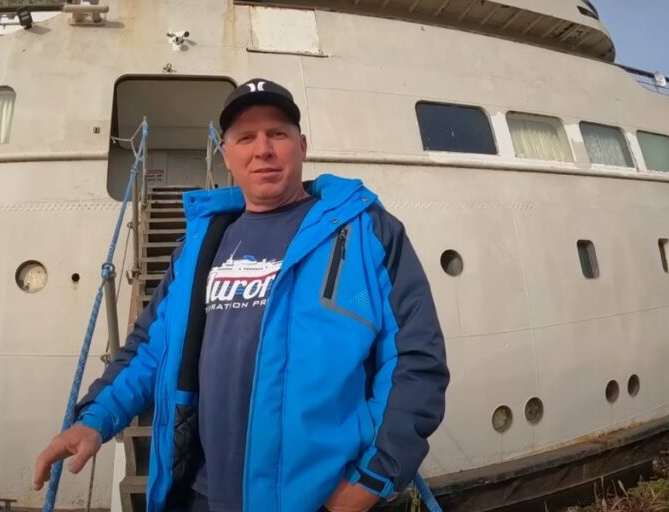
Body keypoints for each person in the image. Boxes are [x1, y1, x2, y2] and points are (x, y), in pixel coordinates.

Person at [34, 78, 449, 512]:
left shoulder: (368, 231)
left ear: (302, 146)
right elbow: (149, 349)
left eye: (278, 134)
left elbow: (415, 358)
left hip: (318, 501)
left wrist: (373, 478)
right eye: (246, 138)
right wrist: (94, 421)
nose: (263, 149)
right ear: (227, 155)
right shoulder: (199, 245)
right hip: (201, 497)